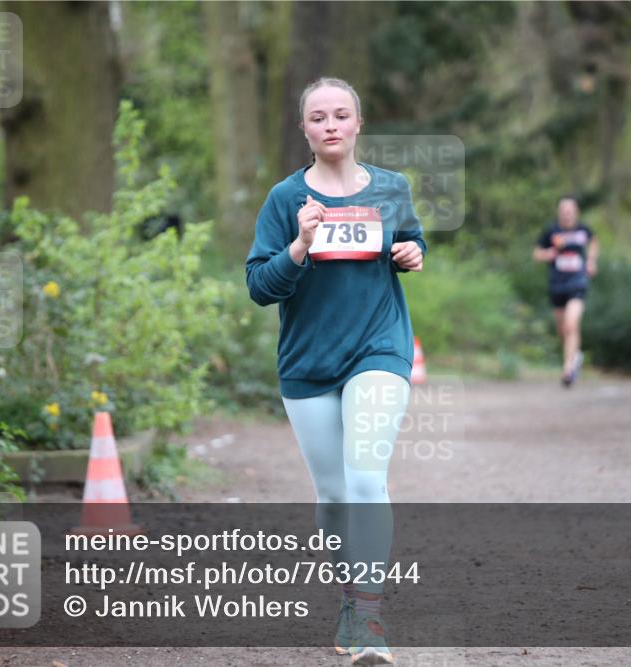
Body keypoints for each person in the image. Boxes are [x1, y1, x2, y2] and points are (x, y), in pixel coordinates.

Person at [245, 77, 425, 666]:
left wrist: (412, 253)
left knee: (366, 477)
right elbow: (259, 286)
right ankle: (350, 597)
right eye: (318, 116)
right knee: (332, 494)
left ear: (358, 123)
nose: (330, 125)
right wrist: (299, 244)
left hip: (379, 347)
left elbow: (412, 242)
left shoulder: (392, 188)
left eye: (341, 114)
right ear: (304, 129)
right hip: (309, 361)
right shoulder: (285, 199)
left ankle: (368, 616)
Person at [533, 195, 598, 387]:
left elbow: (594, 242)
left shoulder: (583, 230)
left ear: (576, 211)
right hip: (557, 284)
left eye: (570, 210)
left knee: (571, 324)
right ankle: (575, 355)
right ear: (559, 212)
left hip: (577, 283)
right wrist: (548, 254)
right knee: (562, 330)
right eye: (564, 210)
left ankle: (568, 369)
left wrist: (591, 261)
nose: (567, 213)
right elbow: (536, 254)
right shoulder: (551, 231)